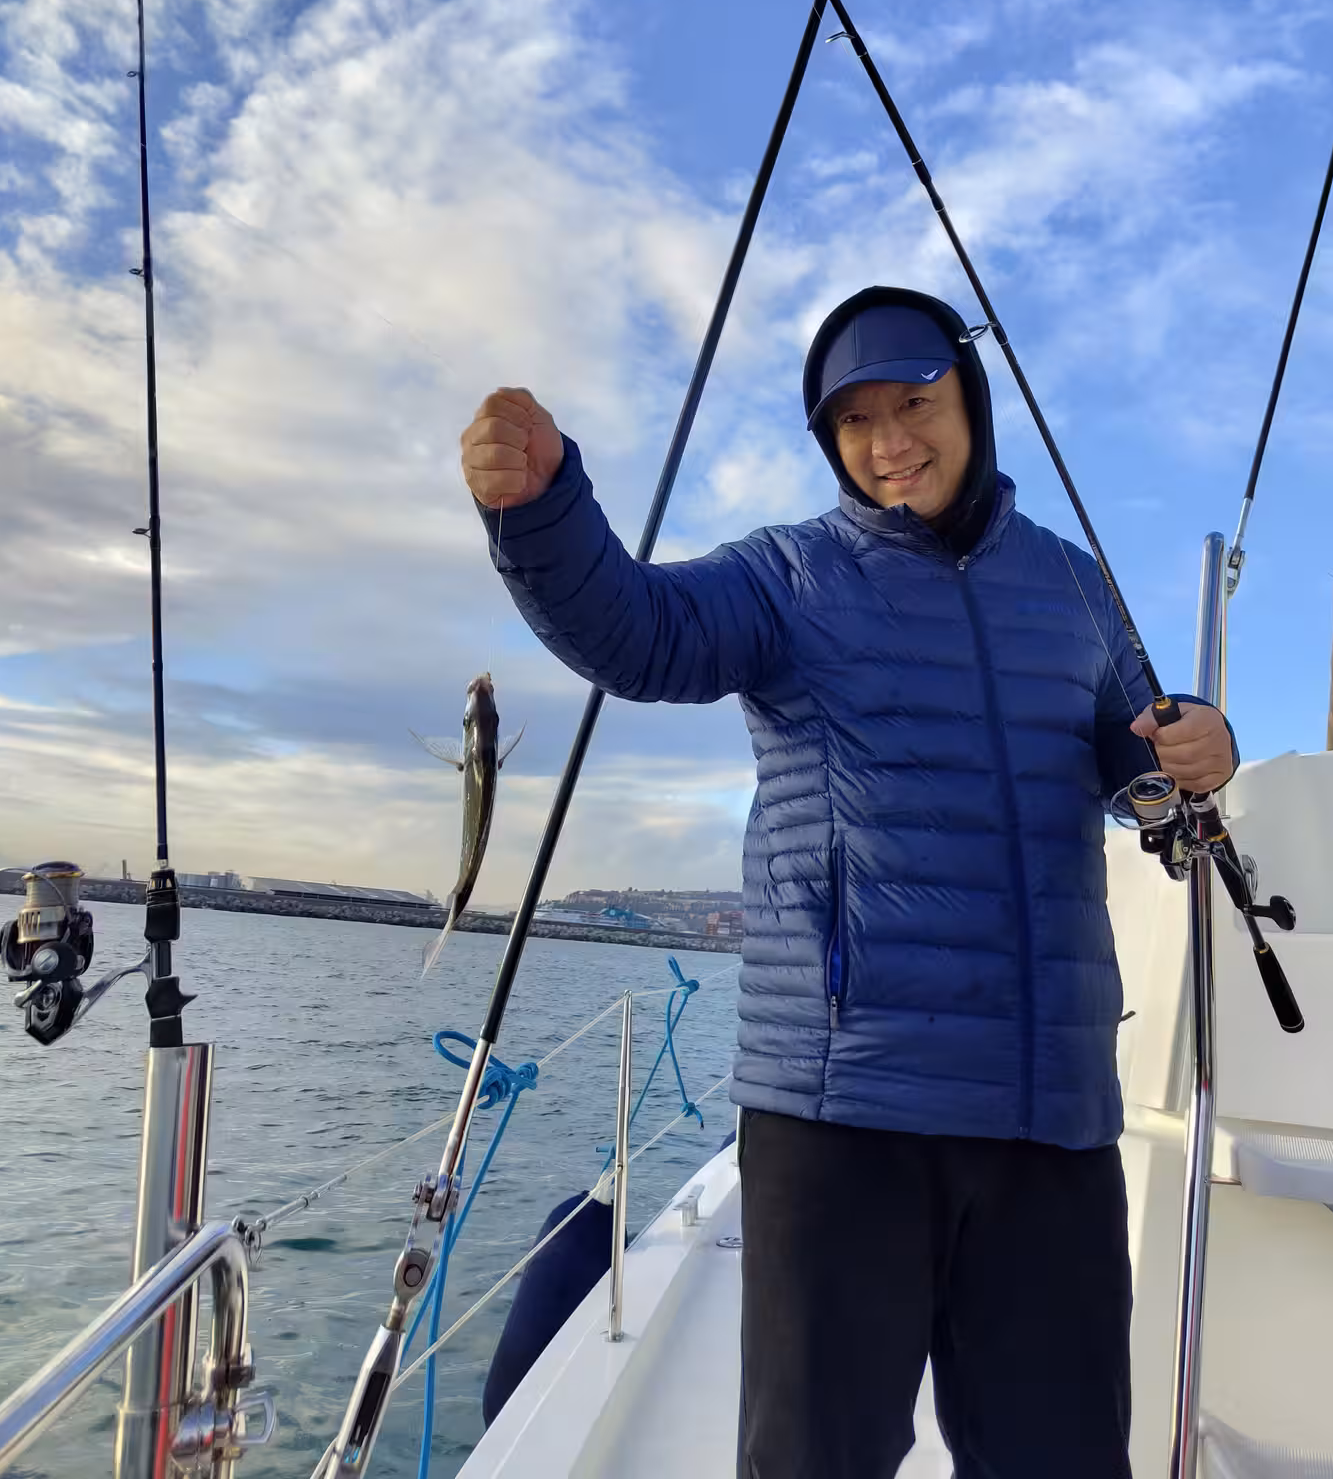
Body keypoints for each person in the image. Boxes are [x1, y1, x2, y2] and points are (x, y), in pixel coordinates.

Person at [461, 285, 1235, 1479]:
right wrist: (546, 508)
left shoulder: (1077, 585)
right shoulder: (788, 578)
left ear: (970, 402)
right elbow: (638, 631)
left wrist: (1195, 750)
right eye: (858, 421)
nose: (891, 442)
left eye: (915, 403)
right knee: (818, 1457)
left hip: (1049, 1113)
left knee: (1065, 1455)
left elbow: (1135, 760)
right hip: (843, 1111)